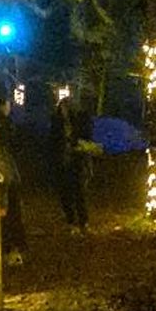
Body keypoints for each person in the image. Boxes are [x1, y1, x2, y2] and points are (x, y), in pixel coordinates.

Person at [0, 97, 28, 263]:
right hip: (4, 186)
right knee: (9, 219)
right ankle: (9, 250)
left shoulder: (0, 143)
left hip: (6, 186)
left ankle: (11, 250)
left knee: (10, 218)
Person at [51, 94, 99, 232]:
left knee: (78, 192)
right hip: (63, 160)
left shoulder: (78, 120)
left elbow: (84, 137)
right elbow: (54, 140)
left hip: (75, 160)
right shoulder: (58, 122)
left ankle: (82, 221)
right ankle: (71, 220)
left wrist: (77, 145)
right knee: (66, 192)